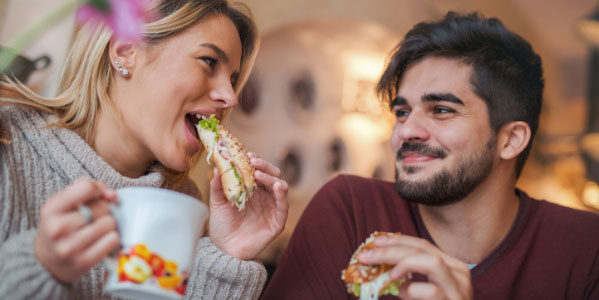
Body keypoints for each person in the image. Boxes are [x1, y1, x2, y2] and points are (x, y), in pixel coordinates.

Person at [262, 11, 599, 300]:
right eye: (403, 112)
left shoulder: (586, 246)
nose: (406, 131)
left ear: (510, 140)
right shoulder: (350, 208)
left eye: (440, 110)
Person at [0, 0, 289, 299]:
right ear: (126, 51)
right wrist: (40, 266)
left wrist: (229, 257)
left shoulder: (184, 205)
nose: (230, 98)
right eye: (209, 61)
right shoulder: (8, 142)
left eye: (232, 80)